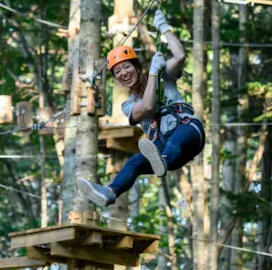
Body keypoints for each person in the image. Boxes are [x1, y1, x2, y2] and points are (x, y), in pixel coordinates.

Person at [77, 10, 205, 207]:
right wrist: (153, 72)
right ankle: (110, 192)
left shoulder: (163, 76)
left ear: (137, 67)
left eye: (126, 67)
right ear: (118, 81)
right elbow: (148, 106)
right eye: (117, 72)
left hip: (188, 130)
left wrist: (165, 29)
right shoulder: (128, 105)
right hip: (167, 150)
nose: (123, 73)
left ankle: (163, 160)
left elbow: (180, 57)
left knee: (175, 138)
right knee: (135, 162)